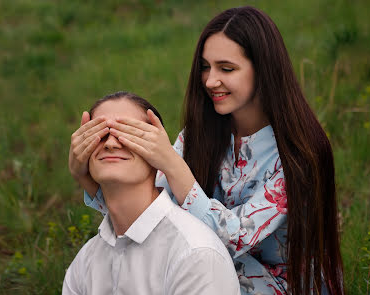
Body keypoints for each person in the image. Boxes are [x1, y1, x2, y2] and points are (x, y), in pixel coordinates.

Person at [68, 6, 345, 295]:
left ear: (264, 70)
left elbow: (234, 239)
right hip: (209, 271)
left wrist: (173, 166)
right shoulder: (200, 134)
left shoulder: (297, 151)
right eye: (205, 67)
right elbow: (148, 212)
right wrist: (85, 176)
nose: (210, 81)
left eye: (227, 69)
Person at [64, 92, 241, 295]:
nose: (111, 144)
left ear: (157, 152)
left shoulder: (196, 254)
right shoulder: (84, 263)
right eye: (99, 134)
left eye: (128, 133)